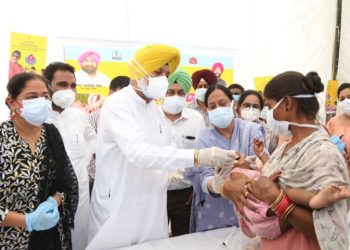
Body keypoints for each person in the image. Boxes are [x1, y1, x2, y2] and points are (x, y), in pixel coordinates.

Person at [87, 44, 236, 249]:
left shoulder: (154, 110)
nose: (163, 79)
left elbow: (165, 150)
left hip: (153, 201)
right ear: (139, 70)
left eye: (166, 73)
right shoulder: (117, 104)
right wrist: (199, 156)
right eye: (158, 72)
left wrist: (206, 181)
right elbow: (139, 153)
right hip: (120, 199)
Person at [221, 71, 349, 250]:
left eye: (270, 106)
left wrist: (278, 199)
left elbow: (331, 230)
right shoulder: (286, 146)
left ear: (288, 103)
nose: (268, 114)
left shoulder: (323, 153)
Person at [0, 72, 78, 249]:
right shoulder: (2, 137)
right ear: (12, 103)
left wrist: (54, 201)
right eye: (32, 97)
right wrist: (27, 220)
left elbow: (67, 183)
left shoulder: (51, 134)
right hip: (10, 240)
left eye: (44, 96)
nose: (42, 102)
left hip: (50, 238)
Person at [185, 84, 266, 233]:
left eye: (222, 104)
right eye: (212, 106)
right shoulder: (205, 137)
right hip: (214, 213)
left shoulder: (251, 130)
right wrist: (216, 185)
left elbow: (263, 163)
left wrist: (248, 163)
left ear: (233, 104)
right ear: (207, 110)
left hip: (250, 208)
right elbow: (204, 176)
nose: (218, 109)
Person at [43, 62, 96, 250]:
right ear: (47, 84)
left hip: (80, 194)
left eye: (73, 85)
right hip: (50, 199)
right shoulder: (38, 119)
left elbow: (92, 140)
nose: (69, 90)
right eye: (62, 84)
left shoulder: (78, 116)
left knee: (80, 239)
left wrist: (85, 161)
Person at [161, 70, 205, 237]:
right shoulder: (151, 117)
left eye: (180, 92)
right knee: (155, 240)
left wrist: (197, 187)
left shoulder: (196, 119)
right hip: (155, 193)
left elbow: (201, 155)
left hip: (185, 194)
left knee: (183, 239)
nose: (175, 96)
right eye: (170, 92)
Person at [88, 75, 130, 194]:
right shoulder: (92, 119)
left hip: (124, 183)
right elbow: (87, 152)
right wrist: (99, 174)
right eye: (121, 96)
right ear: (111, 93)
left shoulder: (133, 121)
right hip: (96, 180)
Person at [327, 83, 350, 165]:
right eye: (342, 99)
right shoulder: (333, 122)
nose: (346, 101)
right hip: (339, 172)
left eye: (349, 97)